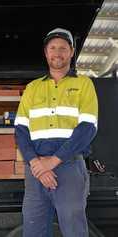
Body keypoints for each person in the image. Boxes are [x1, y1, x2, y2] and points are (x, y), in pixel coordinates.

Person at [14, 28, 98, 237]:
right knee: (33, 227)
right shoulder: (32, 88)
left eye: (63, 48)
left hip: (68, 165)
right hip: (35, 169)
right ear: (46, 53)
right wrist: (36, 163)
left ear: (71, 52)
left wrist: (52, 162)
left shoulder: (84, 84)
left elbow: (87, 128)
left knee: (73, 228)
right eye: (53, 48)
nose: (57, 52)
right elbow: (21, 130)